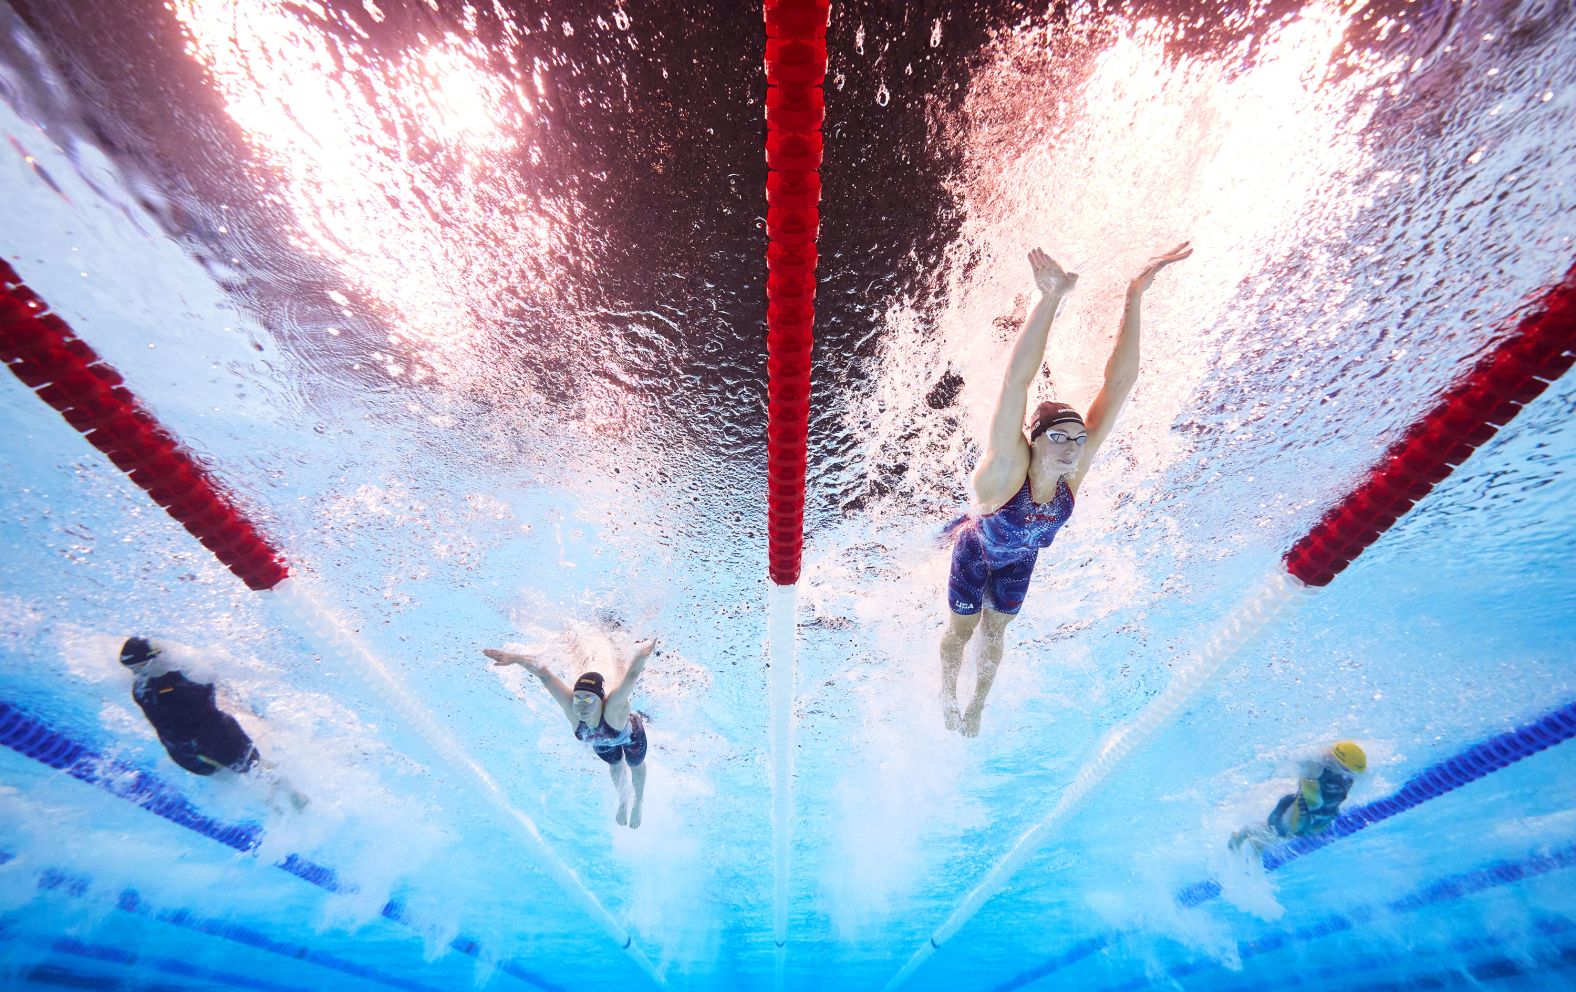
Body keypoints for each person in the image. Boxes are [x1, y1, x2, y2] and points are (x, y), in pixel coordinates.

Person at [940, 243, 1192, 736]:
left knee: (997, 632)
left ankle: (978, 707)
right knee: (963, 630)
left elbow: (1117, 386)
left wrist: (1135, 293)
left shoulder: (1069, 478)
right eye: (1059, 437)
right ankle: (948, 694)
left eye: (1079, 439)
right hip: (975, 550)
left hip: (1019, 559)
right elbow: (1016, 382)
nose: (1074, 446)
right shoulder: (1006, 470)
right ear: (1033, 441)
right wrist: (1052, 296)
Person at [484, 636, 656, 829]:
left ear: (602, 700)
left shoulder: (613, 709)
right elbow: (545, 675)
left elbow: (632, 674)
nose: (581, 704)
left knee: (635, 764)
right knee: (615, 764)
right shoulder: (573, 711)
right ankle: (623, 801)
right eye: (578, 697)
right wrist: (516, 658)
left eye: (589, 699)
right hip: (601, 743)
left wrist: (643, 654)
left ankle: (638, 802)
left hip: (628, 736)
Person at [119, 637, 308, 811]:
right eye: (133, 669)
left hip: (222, 739)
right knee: (242, 782)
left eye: (142, 666)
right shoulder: (142, 688)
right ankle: (275, 809)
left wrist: (258, 711)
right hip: (186, 754)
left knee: (258, 768)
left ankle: (296, 797)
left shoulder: (190, 672)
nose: (138, 673)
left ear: (158, 655)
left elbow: (223, 685)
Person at [1230, 741, 1368, 854]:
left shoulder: (1316, 767)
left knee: (1272, 825)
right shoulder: (1349, 778)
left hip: (1297, 819)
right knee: (1280, 827)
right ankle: (1258, 847)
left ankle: (1240, 839)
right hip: (1320, 824)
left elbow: (1290, 761)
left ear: (1334, 758)